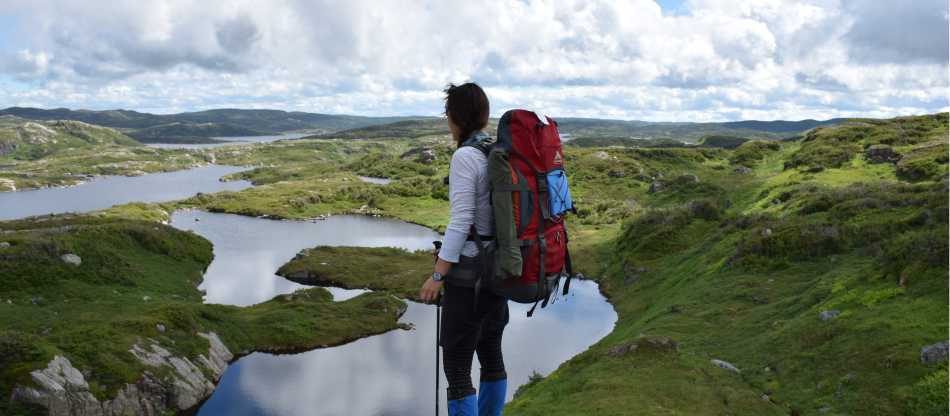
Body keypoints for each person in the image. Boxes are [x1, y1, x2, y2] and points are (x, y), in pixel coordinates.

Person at [419, 82, 508, 416]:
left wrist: (437, 275)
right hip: (499, 272)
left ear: (455, 117)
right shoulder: (496, 151)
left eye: (448, 113)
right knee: (491, 353)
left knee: (457, 367)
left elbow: (460, 222)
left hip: (468, 278)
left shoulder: (465, 156)